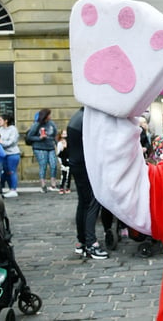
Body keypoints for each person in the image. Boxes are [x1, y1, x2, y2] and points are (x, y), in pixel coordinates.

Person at [67, 107, 108, 260]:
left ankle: (82, 241)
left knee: (84, 203)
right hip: (86, 166)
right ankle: (91, 244)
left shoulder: (79, 116)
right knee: (92, 202)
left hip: (78, 164)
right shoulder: (88, 118)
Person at [26, 108, 58, 193]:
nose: (50, 116)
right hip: (39, 147)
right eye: (49, 115)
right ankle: (43, 184)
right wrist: (39, 138)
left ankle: (53, 182)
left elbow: (55, 134)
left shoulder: (52, 124)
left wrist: (57, 144)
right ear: (45, 116)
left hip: (50, 146)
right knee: (43, 165)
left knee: (53, 164)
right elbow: (29, 136)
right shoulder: (36, 124)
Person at [0, 113, 20, 197]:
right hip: (4, 154)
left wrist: (0, 142)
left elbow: (11, 142)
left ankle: (14, 190)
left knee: (12, 171)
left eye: (0, 120)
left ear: (6, 121)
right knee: (5, 172)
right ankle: (10, 189)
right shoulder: (0, 129)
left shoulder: (13, 129)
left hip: (13, 154)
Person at [56, 130, 72, 195]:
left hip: (69, 161)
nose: (65, 135)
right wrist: (60, 162)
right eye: (63, 134)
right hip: (63, 161)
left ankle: (68, 187)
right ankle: (61, 187)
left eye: (66, 134)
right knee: (63, 175)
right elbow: (59, 154)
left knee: (69, 175)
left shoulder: (70, 143)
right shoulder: (59, 143)